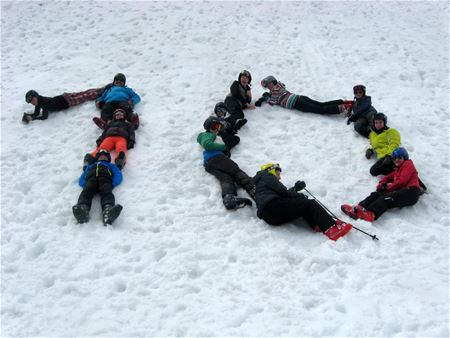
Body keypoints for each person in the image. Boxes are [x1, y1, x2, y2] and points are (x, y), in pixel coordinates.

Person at [252, 163, 352, 241]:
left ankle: (318, 224)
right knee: (310, 203)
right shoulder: (267, 176)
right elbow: (284, 192)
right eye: (278, 174)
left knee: (302, 206)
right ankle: (331, 229)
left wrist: (295, 189)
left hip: (269, 216)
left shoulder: (260, 185)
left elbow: (283, 195)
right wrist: (299, 195)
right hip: (273, 206)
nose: (279, 177)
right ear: (271, 170)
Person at [341, 147, 423, 222]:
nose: (396, 160)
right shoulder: (397, 170)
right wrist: (382, 184)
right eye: (394, 158)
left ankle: (371, 214)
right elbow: (387, 178)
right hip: (403, 191)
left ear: (405, 158)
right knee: (377, 194)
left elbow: (402, 181)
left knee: (385, 198)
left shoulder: (408, 164)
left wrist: (388, 186)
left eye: (399, 157)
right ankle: (358, 208)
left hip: (411, 192)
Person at [197, 115, 255, 210]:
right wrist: (223, 147)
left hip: (210, 164)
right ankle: (253, 187)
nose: (217, 129)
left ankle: (229, 198)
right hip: (216, 157)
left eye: (218, 127)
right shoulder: (206, 135)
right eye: (215, 127)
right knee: (235, 171)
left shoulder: (215, 136)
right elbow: (207, 145)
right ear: (208, 127)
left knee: (226, 178)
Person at [72, 149, 123, 226]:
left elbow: (118, 174)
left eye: (105, 157)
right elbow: (83, 175)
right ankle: (83, 209)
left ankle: (108, 211)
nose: (103, 157)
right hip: (91, 180)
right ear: (97, 158)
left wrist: (113, 183)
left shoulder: (111, 165)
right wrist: (84, 184)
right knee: (86, 192)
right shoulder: (91, 166)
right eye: (101, 156)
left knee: (107, 193)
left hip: (105, 180)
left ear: (108, 159)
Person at [256, 75, 352, 115]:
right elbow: (282, 86)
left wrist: (265, 96)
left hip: (297, 103)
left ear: (271, 84)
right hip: (300, 97)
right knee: (321, 104)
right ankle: (344, 102)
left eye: (268, 86)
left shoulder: (274, 92)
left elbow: (272, 101)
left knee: (321, 110)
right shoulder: (280, 86)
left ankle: (344, 107)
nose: (268, 88)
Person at [23, 87, 103, 123]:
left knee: (86, 96)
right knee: (84, 93)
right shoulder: (39, 102)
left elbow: (44, 117)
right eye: (31, 102)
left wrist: (32, 119)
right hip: (64, 96)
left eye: (33, 100)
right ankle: (100, 89)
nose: (33, 103)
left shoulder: (43, 102)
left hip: (67, 101)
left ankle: (101, 91)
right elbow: (36, 113)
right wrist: (30, 116)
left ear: (36, 96)